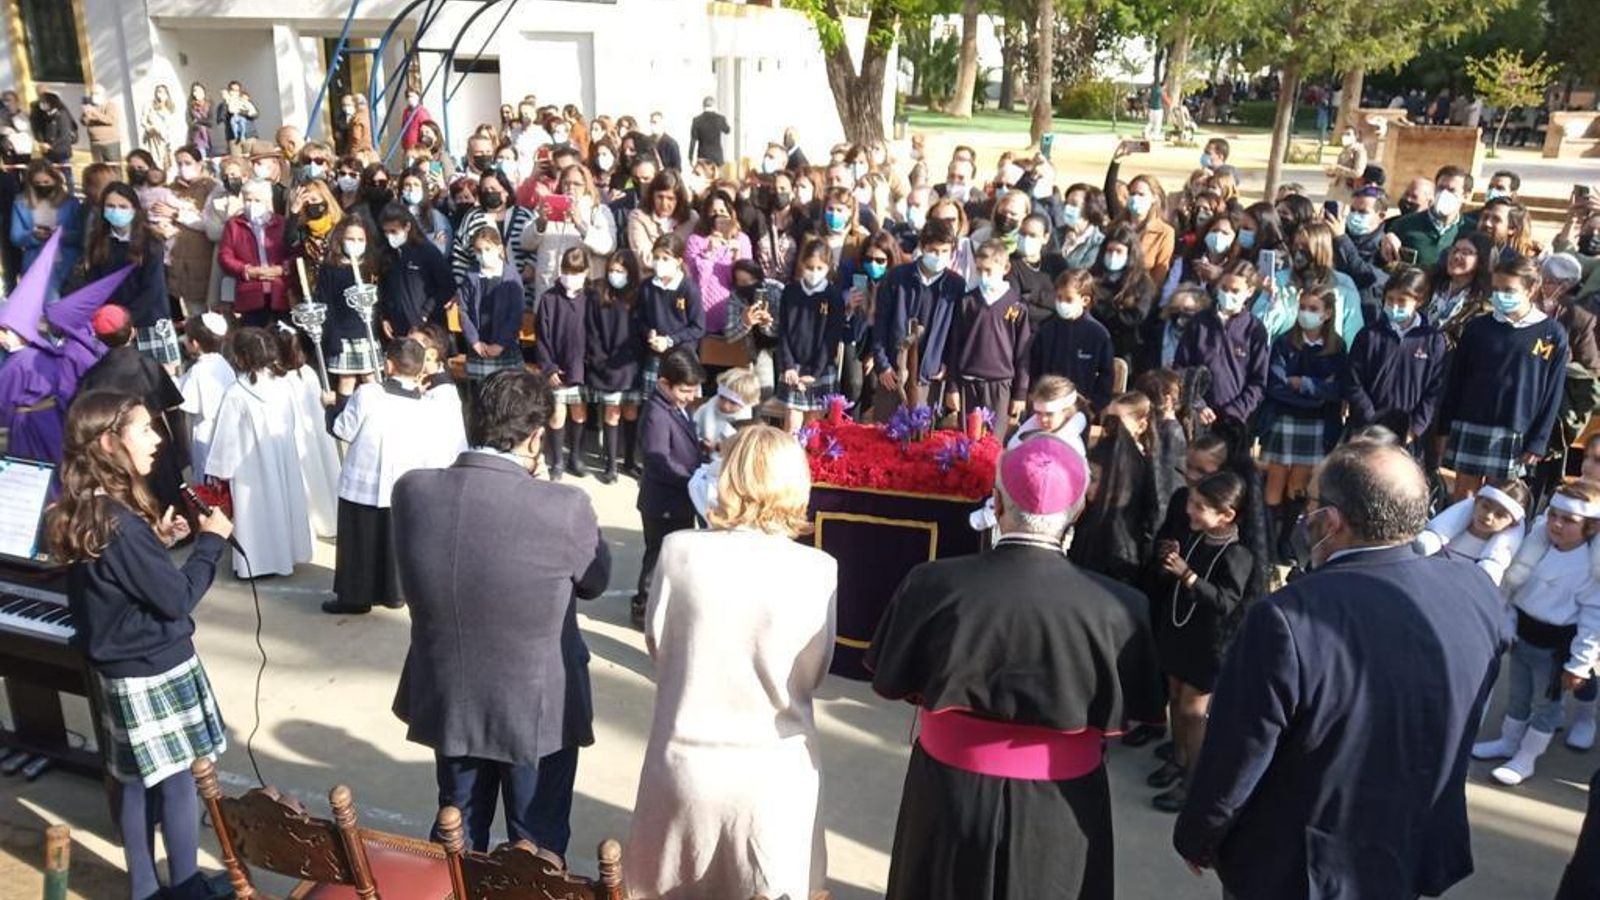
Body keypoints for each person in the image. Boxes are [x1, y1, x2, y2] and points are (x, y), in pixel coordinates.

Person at [1173, 442, 1511, 899]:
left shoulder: (1288, 618)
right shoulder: (1476, 591)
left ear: (1330, 521)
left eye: (1309, 503)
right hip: (1408, 852)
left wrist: (1199, 835)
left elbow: (1239, 751)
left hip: (1302, 871)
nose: (1303, 514)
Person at [869, 437, 1158, 900]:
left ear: (997, 501)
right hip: (1061, 809)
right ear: (1079, 510)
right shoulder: (1123, 609)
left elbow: (891, 677)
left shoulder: (931, 583)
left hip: (949, 798)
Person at [391, 369, 610, 853]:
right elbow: (596, 580)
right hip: (537, 707)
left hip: (451, 694)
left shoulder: (412, 490)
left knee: (456, 828)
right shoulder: (564, 505)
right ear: (535, 436)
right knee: (537, 841)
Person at [626, 425, 835, 899]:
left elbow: (659, 643)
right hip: (774, 775)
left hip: (684, 764)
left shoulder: (680, 550)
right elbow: (814, 671)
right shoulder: (819, 570)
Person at [47, 391, 234, 900]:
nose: (156, 440)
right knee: (177, 781)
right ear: (110, 442)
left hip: (119, 668)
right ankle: (188, 887)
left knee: (132, 781)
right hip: (155, 668)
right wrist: (210, 542)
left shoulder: (84, 508)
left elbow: (120, 575)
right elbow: (175, 599)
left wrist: (160, 540)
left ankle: (145, 889)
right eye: (145, 430)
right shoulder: (121, 524)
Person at [1472, 480, 1600, 785]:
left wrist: (1579, 664)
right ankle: (1508, 742)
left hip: (1555, 649)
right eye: (1554, 514)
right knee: (1518, 696)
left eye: (1569, 520)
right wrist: (1508, 626)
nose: (1556, 524)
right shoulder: (1537, 549)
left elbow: (1593, 619)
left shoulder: (1589, 567)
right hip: (1523, 640)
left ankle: (1526, 758)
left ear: (1591, 527)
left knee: (1546, 707)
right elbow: (1516, 593)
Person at [327, 338, 465, 614]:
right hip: (404, 483)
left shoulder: (368, 395)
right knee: (396, 541)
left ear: (387, 365)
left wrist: (332, 407)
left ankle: (354, 597)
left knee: (359, 542)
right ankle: (395, 593)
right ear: (420, 370)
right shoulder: (429, 404)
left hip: (364, 482)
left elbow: (343, 429)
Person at [1145, 470, 1255, 813]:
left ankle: (1194, 781)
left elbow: (1225, 602)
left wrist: (1187, 574)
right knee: (1176, 700)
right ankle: (1177, 760)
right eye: (1192, 503)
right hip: (1180, 632)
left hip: (1207, 645)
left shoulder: (1238, 554)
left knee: (1194, 713)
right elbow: (1173, 578)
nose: (1190, 511)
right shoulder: (1196, 538)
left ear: (1226, 516)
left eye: (1200, 507)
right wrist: (1170, 561)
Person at [1437, 257, 1569, 499]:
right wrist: (1444, 427)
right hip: (1471, 421)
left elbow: (1553, 392)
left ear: (1530, 290)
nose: (1501, 295)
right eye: (1496, 289)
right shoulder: (1478, 328)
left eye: (1509, 290)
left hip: (1516, 429)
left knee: (1498, 501)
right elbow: (1455, 380)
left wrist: (1538, 441)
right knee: (1463, 498)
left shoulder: (1552, 333)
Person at [204, 327, 315, 579]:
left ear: (240, 357)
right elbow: (294, 423)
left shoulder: (237, 393)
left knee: (256, 511)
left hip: (249, 465)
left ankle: (258, 561)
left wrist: (219, 470)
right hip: (282, 456)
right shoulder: (284, 385)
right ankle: (288, 553)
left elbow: (226, 439)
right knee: (283, 503)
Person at [1261, 287, 1348, 559]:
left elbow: (1338, 390)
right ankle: (1264, 539)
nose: (1305, 314)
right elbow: (1276, 385)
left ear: (1327, 314)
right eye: (1303, 307)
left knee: (1298, 484)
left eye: (1313, 309)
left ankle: (1285, 538)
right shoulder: (1285, 342)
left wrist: (1304, 384)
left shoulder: (1336, 348)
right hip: (1285, 419)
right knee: (1275, 480)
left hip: (1318, 425)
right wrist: (1317, 394)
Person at [633, 347, 705, 625]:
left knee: (672, 556)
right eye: (686, 390)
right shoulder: (656, 413)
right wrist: (693, 476)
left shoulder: (677, 407)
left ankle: (662, 602)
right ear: (664, 383)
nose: (691, 397)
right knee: (658, 556)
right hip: (662, 502)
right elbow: (659, 461)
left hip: (679, 500)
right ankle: (643, 605)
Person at [1344, 268, 1445, 449]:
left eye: (1402, 301)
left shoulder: (1433, 340)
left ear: (1419, 301)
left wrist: (1414, 428)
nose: (1394, 306)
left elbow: (1434, 390)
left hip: (1407, 435)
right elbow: (1353, 380)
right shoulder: (1369, 334)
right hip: (1365, 429)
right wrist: (1370, 419)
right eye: (1390, 300)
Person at [942, 239, 1032, 433]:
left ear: (1005, 267)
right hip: (968, 382)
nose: (983, 276)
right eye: (979, 270)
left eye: (988, 271)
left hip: (1000, 384)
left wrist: (1020, 393)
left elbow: (1022, 353)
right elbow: (955, 346)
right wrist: (953, 387)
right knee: (967, 443)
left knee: (993, 443)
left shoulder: (1016, 306)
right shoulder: (967, 302)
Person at [778, 239, 847, 432]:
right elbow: (783, 331)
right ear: (802, 264)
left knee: (813, 427)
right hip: (794, 367)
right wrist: (788, 366)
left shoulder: (833, 296)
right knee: (791, 424)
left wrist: (815, 373)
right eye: (810, 267)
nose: (814, 272)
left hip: (820, 368)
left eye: (819, 267)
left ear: (828, 267)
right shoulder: (790, 292)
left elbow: (832, 339)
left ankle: (809, 461)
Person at [1028, 269, 1113, 414]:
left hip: (1080, 408)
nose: (1062, 303)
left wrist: (1095, 404)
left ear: (1085, 300)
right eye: (1059, 298)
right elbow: (1034, 366)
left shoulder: (1098, 334)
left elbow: (1106, 374)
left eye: (1068, 299)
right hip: (1047, 406)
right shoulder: (1046, 329)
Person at [1414, 480, 1528, 586]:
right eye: (1485, 506)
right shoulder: (1450, 534)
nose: (1488, 516)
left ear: (1512, 524)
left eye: (1500, 515)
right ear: (1476, 502)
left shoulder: (1499, 555)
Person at [215, 179, 289, 325]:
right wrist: (247, 270)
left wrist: (282, 268)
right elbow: (225, 256)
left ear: (267, 201)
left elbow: (294, 252)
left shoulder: (281, 223)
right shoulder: (234, 225)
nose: (252, 204)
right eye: (248, 200)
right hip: (250, 291)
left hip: (280, 290)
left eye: (257, 200)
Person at [178, 312, 235, 481]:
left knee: (206, 471)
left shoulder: (199, 370)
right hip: (225, 427)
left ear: (195, 344)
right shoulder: (224, 364)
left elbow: (188, 402)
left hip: (205, 430)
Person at [81, 85, 121, 163]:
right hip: (94, 143)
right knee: (99, 169)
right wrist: (86, 115)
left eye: (96, 93)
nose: (93, 96)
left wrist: (95, 113)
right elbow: (83, 122)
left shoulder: (109, 105)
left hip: (109, 142)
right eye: (92, 94)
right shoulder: (90, 106)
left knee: (113, 167)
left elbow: (110, 120)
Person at [688, 97, 729, 167]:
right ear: (714, 106)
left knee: (704, 177)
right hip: (717, 157)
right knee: (718, 177)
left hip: (703, 156)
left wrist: (690, 157)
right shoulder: (720, 119)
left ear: (703, 106)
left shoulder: (697, 120)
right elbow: (727, 130)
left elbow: (693, 141)